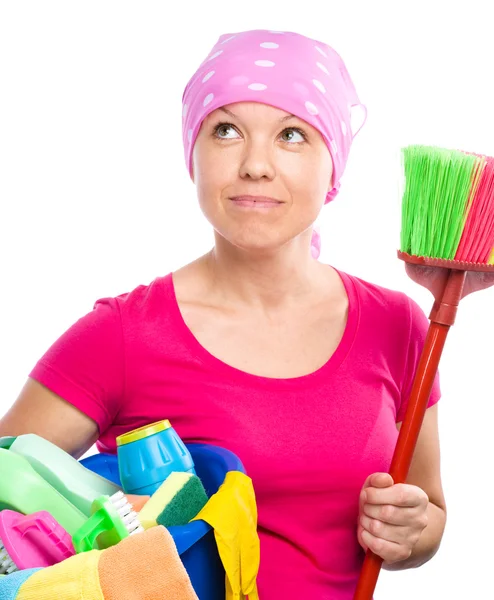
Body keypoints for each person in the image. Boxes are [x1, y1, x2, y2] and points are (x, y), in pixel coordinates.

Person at [3, 28, 490, 599]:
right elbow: (11, 487)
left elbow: (429, 515)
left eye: (292, 134)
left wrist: (411, 529)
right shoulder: (121, 336)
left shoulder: (399, 327)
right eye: (227, 130)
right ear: (193, 154)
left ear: (333, 167)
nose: (255, 164)